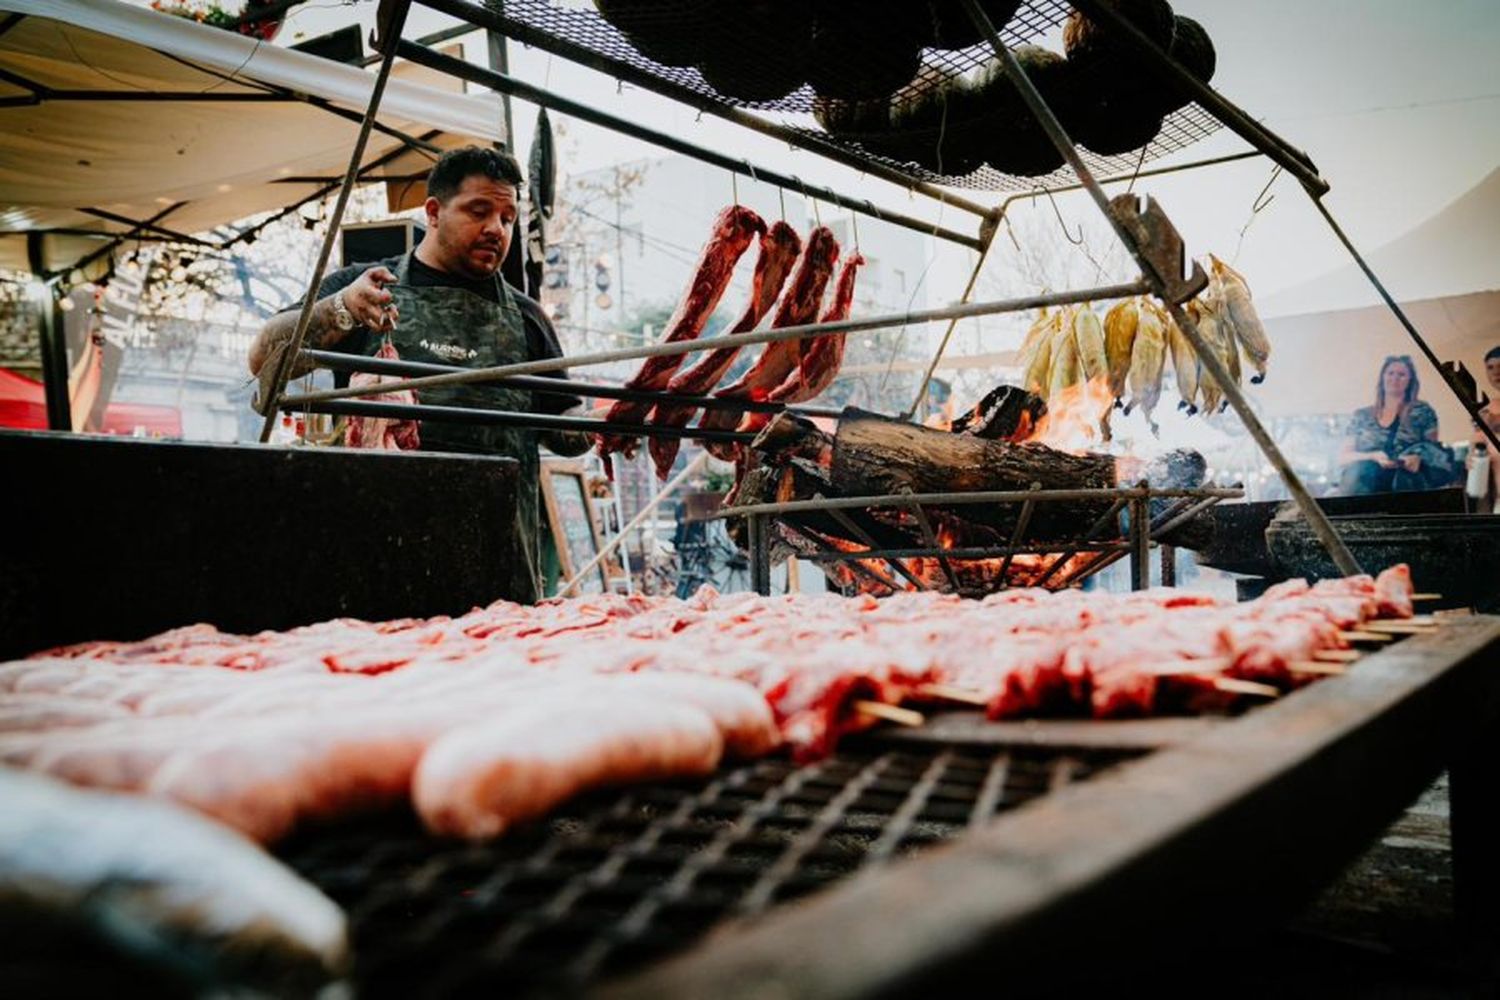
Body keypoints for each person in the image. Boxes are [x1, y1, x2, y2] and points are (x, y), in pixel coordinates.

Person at [249, 145, 591, 602]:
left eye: (508, 217)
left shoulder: (527, 317)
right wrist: (342, 311)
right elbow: (262, 358)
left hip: (500, 566)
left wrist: (611, 418)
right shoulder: (366, 288)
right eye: (478, 210)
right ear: (433, 211)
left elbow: (566, 431)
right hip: (378, 553)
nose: (496, 228)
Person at [1337, 354, 1453, 494]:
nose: (1395, 379)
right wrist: (1372, 456)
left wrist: (1418, 459)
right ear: (1382, 377)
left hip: (1407, 487)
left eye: (1401, 374)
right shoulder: (1361, 416)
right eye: (1390, 373)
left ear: (1410, 380)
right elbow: (1344, 457)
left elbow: (1433, 450)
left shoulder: (1422, 412)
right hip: (1363, 488)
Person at [1469, 345, 1500, 510]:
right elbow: (1477, 444)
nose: (1496, 372)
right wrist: (1472, 455)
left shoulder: (1491, 414)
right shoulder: (1489, 408)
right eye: (1490, 367)